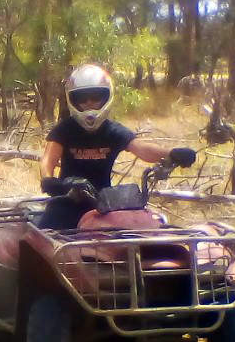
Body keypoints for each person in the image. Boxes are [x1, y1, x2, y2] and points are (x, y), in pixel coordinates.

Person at [37, 63, 196, 229]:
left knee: (138, 234)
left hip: (104, 205)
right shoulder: (65, 129)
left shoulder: (112, 130)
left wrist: (171, 153)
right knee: (41, 237)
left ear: (106, 97)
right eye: (82, 98)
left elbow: (142, 149)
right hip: (67, 201)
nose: (89, 103)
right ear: (73, 100)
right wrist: (50, 181)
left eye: (96, 97)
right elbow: (48, 159)